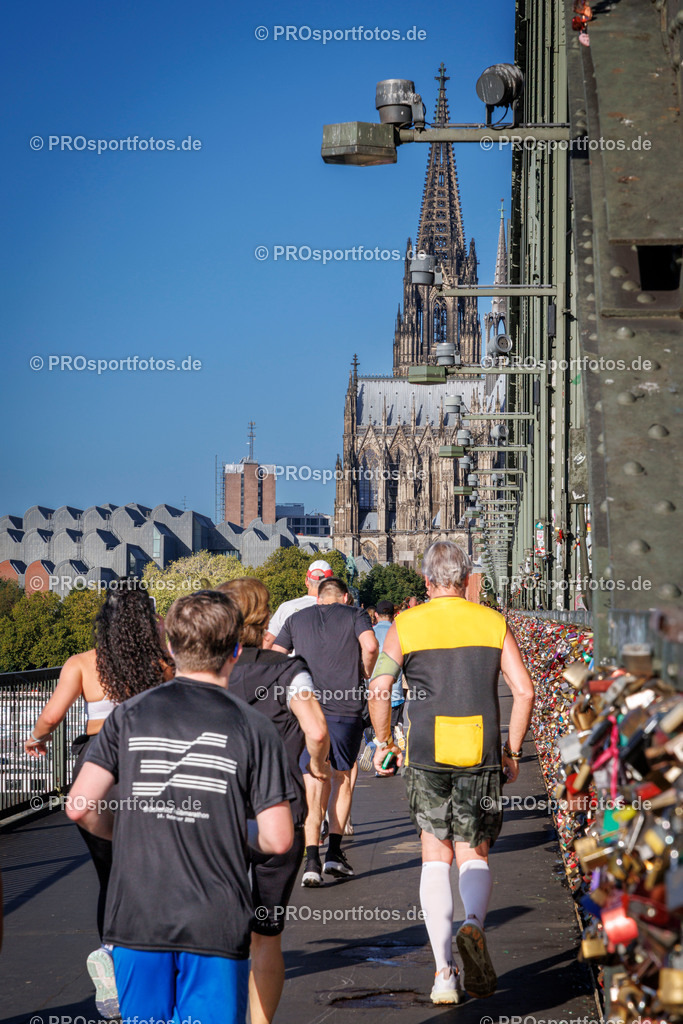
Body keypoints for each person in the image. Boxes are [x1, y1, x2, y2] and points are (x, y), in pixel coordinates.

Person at [66, 589, 295, 1024]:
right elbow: (278, 838)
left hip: (137, 915)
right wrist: (227, 828)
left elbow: (79, 806)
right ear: (236, 650)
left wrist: (126, 827)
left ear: (170, 646)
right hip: (214, 917)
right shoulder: (255, 727)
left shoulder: (127, 716)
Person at [368, 541, 534, 1005]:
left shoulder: (405, 624)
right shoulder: (492, 622)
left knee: (434, 854)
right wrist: (512, 751)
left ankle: (444, 972)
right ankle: (473, 924)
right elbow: (524, 691)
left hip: (426, 753)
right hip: (480, 750)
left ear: (427, 581)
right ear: (464, 579)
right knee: (473, 851)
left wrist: (384, 743)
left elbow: (379, 688)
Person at [24, 586, 174, 1015]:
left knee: (110, 874)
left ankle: (110, 953)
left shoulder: (81, 663)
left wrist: (37, 739)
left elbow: (51, 716)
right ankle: (153, 964)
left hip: (96, 767)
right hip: (148, 765)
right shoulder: (164, 662)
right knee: (157, 871)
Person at [217, 578, 330, 1024]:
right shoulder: (289, 670)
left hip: (217, 817)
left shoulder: (206, 673)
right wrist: (317, 766)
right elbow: (316, 729)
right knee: (267, 935)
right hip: (277, 812)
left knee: (219, 935)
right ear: (265, 618)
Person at [273, 577, 378, 885]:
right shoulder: (356, 614)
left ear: (318, 598)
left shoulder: (296, 619)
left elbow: (276, 654)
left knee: (314, 780)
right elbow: (371, 646)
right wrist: (364, 671)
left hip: (307, 712)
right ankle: (333, 853)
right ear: (344, 597)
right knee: (342, 778)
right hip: (345, 710)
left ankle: (310, 861)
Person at [262, 559, 333, 649]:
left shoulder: (286, 607)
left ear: (306, 581)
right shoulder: (337, 611)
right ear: (331, 584)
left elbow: (267, 641)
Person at [373, 600, 405, 739]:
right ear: (394, 615)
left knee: (375, 731)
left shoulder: (370, 633)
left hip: (374, 691)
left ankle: (374, 746)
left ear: (376, 615)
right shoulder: (399, 633)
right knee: (390, 732)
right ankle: (396, 732)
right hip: (395, 692)